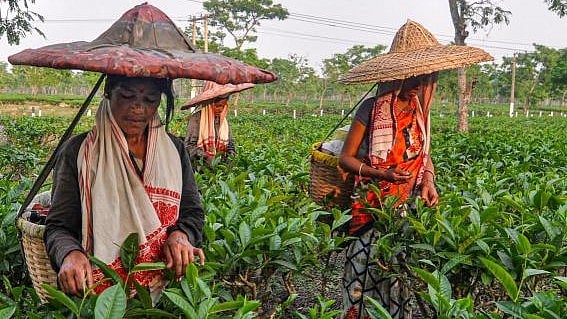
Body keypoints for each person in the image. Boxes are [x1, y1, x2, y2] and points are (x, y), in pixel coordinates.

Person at [337, 20, 493, 319]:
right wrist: (382, 174)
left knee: (398, 275)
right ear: (397, 77)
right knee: (362, 270)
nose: (420, 86)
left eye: (425, 79)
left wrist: (429, 181)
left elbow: (423, 154)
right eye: (413, 79)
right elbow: (346, 159)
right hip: (372, 205)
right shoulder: (370, 110)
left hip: (406, 207)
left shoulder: (419, 110)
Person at [45, 75, 205, 297]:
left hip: (164, 286)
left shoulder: (174, 150)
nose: (138, 107)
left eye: (150, 99)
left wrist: (181, 235)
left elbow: (192, 213)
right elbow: (58, 226)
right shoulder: (79, 152)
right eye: (127, 96)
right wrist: (69, 253)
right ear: (108, 93)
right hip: (96, 293)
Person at [183, 81, 254, 164]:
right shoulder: (196, 119)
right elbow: (189, 146)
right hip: (199, 166)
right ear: (209, 104)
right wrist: (204, 156)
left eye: (223, 106)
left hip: (220, 167)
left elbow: (230, 144)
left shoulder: (223, 121)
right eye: (217, 106)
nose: (220, 110)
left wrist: (230, 155)